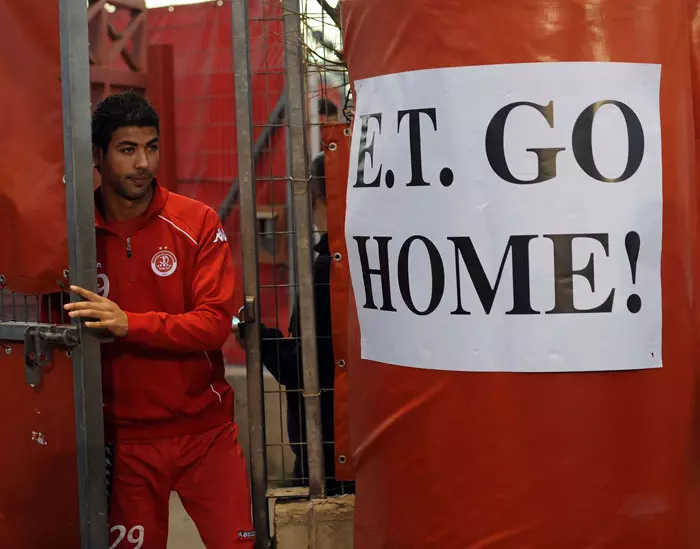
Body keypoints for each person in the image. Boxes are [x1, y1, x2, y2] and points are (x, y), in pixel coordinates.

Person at [64, 90, 255, 548]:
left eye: (151, 147)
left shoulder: (197, 221)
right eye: (128, 150)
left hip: (204, 434)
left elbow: (213, 324)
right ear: (98, 155)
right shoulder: (73, 233)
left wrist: (130, 323)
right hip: (124, 443)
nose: (143, 163)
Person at [236, 152, 354, 497]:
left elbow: (308, 367)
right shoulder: (371, 260)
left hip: (327, 449)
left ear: (318, 198)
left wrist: (260, 339)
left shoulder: (327, 272)